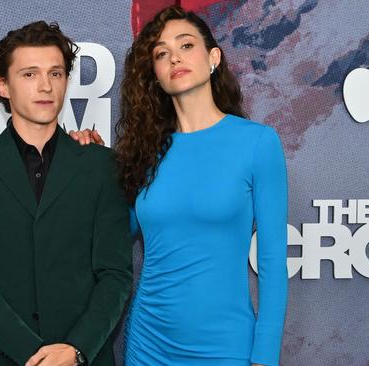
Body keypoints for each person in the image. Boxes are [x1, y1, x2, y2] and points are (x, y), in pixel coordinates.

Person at [0, 21, 133, 366]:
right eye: (29, 74)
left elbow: (115, 274)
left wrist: (75, 349)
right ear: (3, 86)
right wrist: (34, 355)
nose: (45, 86)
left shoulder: (102, 165)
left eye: (56, 74)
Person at [115, 6, 288, 366]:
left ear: (213, 57)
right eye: (161, 53)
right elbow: (112, 234)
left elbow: (272, 262)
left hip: (227, 346)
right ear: (156, 75)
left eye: (186, 45)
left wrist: (265, 356)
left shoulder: (257, 143)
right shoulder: (145, 152)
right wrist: (85, 161)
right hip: (149, 344)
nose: (174, 56)